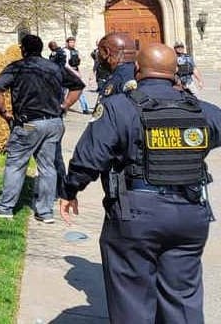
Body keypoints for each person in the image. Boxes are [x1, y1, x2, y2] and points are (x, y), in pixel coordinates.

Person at [59, 42, 220, 323]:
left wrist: (71, 189)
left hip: (137, 214)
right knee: (182, 299)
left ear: (137, 69)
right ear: (176, 72)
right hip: (190, 213)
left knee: (132, 301)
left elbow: (90, 156)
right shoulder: (201, 110)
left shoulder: (119, 107)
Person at [0, 34, 84, 222]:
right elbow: (78, 85)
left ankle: (5, 207)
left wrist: (4, 112)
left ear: (23, 50)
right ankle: (45, 212)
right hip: (53, 122)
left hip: (28, 124)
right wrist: (65, 105)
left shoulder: (17, 68)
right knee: (48, 167)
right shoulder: (55, 67)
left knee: (16, 164)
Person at [96, 32, 137, 100]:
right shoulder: (137, 73)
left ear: (106, 52)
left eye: (99, 51)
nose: (98, 55)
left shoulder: (117, 80)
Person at [64, 36, 91, 114]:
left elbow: (76, 63)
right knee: (63, 91)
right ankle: (61, 106)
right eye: (71, 42)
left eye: (73, 42)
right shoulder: (65, 51)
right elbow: (66, 64)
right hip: (67, 72)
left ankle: (85, 108)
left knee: (79, 90)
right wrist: (74, 72)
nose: (72, 44)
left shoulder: (75, 51)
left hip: (74, 71)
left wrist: (78, 72)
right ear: (67, 43)